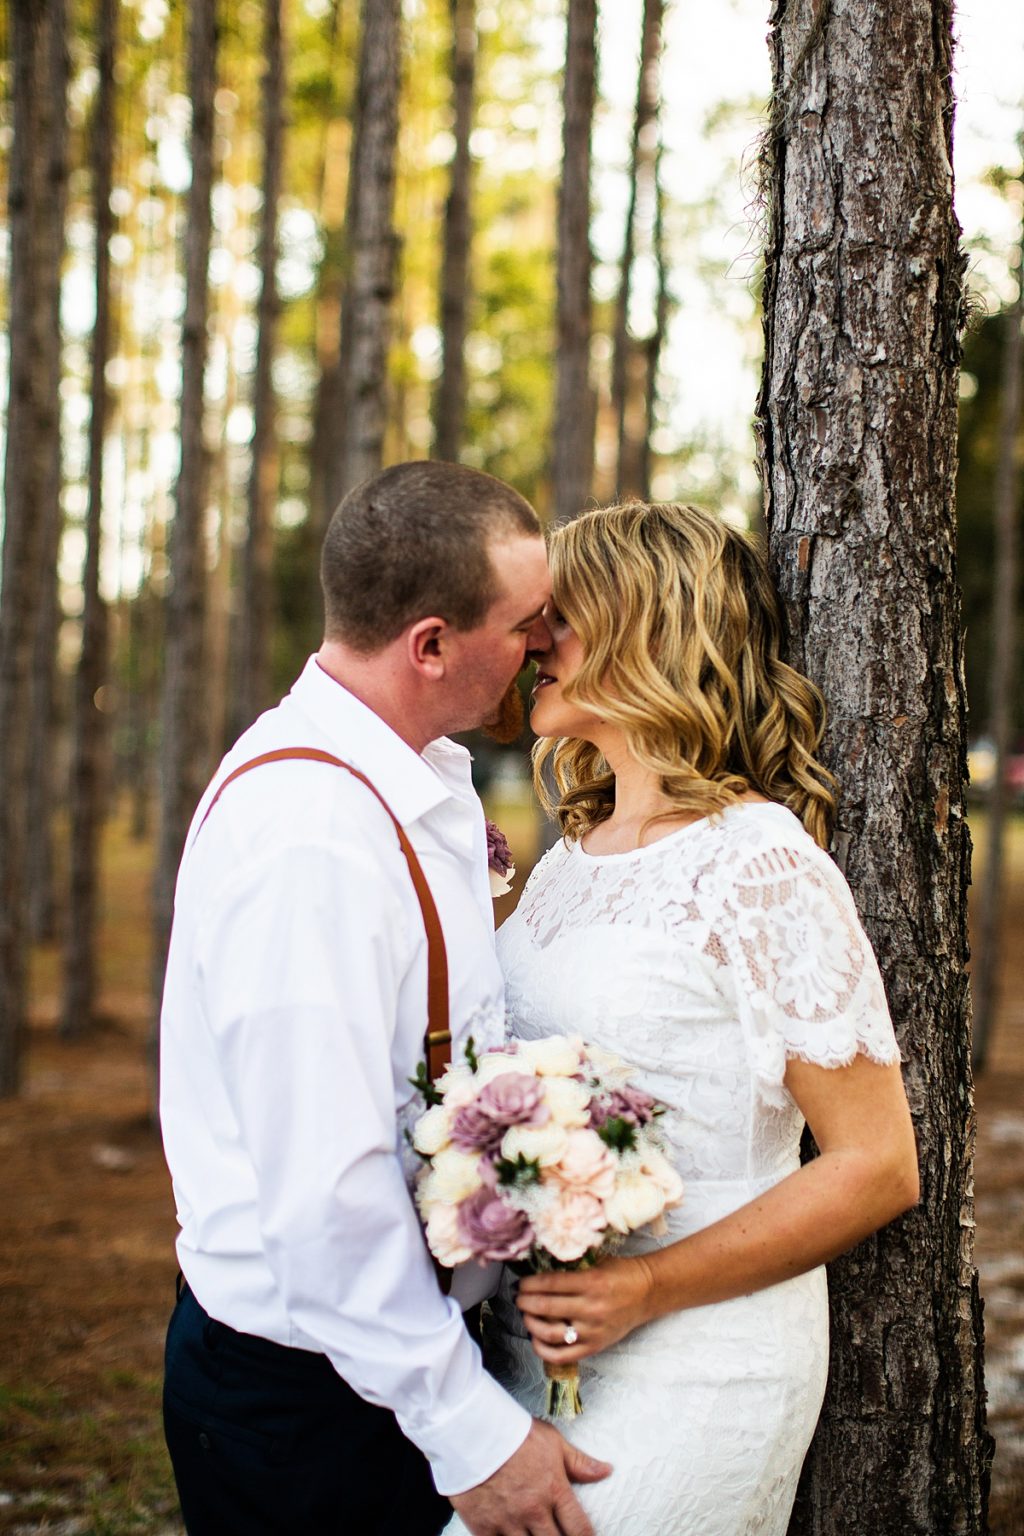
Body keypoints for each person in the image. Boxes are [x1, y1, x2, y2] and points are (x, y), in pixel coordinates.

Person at [444, 500, 919, 1536]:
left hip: (701, 1362)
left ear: (643, 630)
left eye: (560, 617)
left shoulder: (758, 863)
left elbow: (876, 1164)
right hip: (538, 1355)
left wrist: (647, 1287)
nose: (534, 643)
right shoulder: (566, 867)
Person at [159, 460, 611, 1536]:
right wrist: (467, 1432)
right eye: (528, 623)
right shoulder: (311, 836)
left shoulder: (411, 781)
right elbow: (327, 1195)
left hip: (382, 1361)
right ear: (431, 645)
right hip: (315, 1398)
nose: (546, 644)